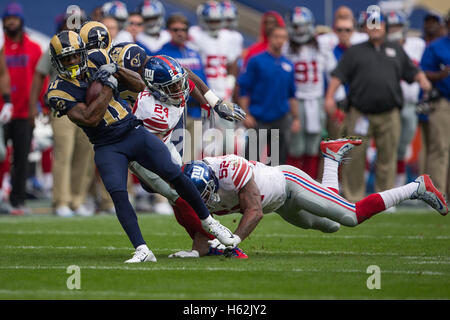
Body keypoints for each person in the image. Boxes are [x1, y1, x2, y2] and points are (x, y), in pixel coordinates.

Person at [46, 30, 241, 262]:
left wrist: (116, 70)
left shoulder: (113, 57)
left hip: (134, 129)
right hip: (106, 143)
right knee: (119, 194)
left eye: (76, 55)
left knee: (174, 175)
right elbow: (90, 118)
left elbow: (151, 79)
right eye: (66, 58)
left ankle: (211, 224)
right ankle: (142, 248)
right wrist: (109, 85)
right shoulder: (58, 90)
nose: (72, 62)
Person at [168, 137, 448, 258]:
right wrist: (195, 251)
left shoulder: (230, 168)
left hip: (289, 184)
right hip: (279, 204)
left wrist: (234, 241)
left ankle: (417, 187)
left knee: (350, 216)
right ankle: (332, 156)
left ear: (214, 182)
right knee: (332, 225)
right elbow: (202, 233)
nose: (204, 202)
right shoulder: (189, 185)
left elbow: (254, 212)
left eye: (206, 195)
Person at [324, 11, 431, 203]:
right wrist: (330, 97)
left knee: (387, 157)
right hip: (359, 112)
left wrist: (423, 80)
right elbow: (338, 75)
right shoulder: (355, 51)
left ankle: (385, 199)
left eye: (379, 24)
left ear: (385, 27)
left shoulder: (395, 49)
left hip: (389, 113)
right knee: (355, 157)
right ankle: (353, 197)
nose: (375, 28)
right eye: (371, 24)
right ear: (364, 27)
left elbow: (412, 71)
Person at [29, 9, 94, 217]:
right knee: (64, 155)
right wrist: (34, 106)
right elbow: (40, 75)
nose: (74, 25)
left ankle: (77, 199)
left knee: (84, 154)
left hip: (86, 106)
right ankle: (61, 201)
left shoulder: (86, 45)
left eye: (78, 22)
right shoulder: (54, 46)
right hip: (62, 106)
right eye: (71, 21)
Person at [284, 7, 336, 180]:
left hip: (317, 99)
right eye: (296, 26)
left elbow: (332, 71)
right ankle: (292, 184)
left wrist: (335, 97)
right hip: (296, 100)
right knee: (296, 146)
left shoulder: (321, 44)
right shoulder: (286, 47)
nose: (300, 30)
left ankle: (310, 183)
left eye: (303, 26)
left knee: (313, 145)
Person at [0, 2, 43, 214]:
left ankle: (17, 201)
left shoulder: (34, 48)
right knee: (1, 155)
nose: (10, 22)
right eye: (7, 18)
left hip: (25, 111)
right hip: (2, 110)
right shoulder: (1, 46)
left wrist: (41, 105)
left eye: (13, 18)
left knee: (21, 157)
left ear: (20, 20)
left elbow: (40, 79)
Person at [238, 26, 300, 165]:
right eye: (277, 37)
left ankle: (274, 187)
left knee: (277, 163)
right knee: (251, 161)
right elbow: (244, 89)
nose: (280, 41)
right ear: (270, 38)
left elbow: (292, 94)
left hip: (281, 119)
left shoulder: (288, 64)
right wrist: (246, 115)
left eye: (283, 37)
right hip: (258, 118)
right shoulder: (256, 61)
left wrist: (296, 118)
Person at [384, 10, 426, 187]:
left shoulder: (417, 45)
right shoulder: (381, 47)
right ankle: (385, 188)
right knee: (387, 147)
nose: (395, 30)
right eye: (392, 26)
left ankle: (398, 188)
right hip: (388, 104)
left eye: (398, 26)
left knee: (402, 148)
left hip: (410, 103)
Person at [420, 10, 450, 200]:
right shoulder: (436, 46)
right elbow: (423, 71)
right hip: (443, 101)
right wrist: (441, 74)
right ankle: (437, 193)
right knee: (439, 147)